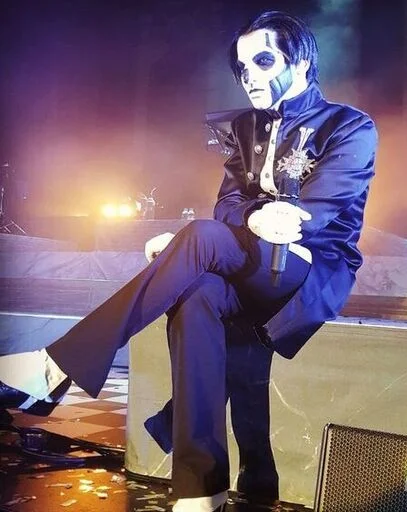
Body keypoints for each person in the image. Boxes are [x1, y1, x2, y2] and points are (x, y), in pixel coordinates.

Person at [0, 10, 377, 512]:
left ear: (301, 60)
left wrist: (277, 219)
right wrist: (233, 229)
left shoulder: (348, 124)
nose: (249, 77)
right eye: (242, 68)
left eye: (263, 61)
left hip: (311, 267)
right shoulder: (245, 126)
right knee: (197, 293)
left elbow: (323, 208)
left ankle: (54, 368)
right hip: (254, 261)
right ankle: (202, 489)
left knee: (198, 237)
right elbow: (228, 204)